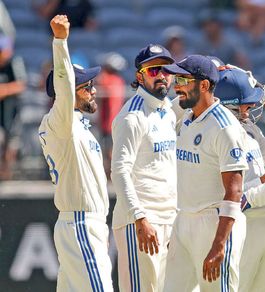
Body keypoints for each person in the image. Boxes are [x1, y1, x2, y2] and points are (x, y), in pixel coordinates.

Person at [38, 15, 113, 291]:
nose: (94, 91)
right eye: (87, 87)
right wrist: (60, 41)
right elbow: (64, 84)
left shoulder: (77, 126)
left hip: (87, 223)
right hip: (80, 222)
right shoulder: (60, 123)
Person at [162, 55, 248, 292]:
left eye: (182, 79)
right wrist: (181, 229)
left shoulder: (225, 127)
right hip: (184, 220)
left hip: (214, 224)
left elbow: (234, 191)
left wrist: (219, 244)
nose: (176, 85)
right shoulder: (188, 119)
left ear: (204, 85)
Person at [214, 68, 265, 292]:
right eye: (247, 103)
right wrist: (262, 181)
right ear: (230, 104)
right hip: (243, 223)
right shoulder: (219, 133)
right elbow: (224, 193)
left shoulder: (250, 128)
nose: (252, 107)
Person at [110, 44, 176, 292]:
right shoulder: (132, 117)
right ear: (139, 77)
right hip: (141, 222)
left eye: (167, 70)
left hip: (169, 220)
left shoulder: (167, 110)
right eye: (153, 70)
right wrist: (140, 217)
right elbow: (119, 171)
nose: (161, 75)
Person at [0, 34, 26, 179]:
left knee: (11, 142)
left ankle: (7, 173)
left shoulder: (14, 62)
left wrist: (4, 90)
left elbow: (21, 84)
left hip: (12, 112)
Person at [96, 52, 126, 178]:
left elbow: (100, 80)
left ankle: (111, 176)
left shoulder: (109, 80)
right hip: (111, 122)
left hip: (109, 123)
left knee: (110, 151)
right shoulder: (119, 81)